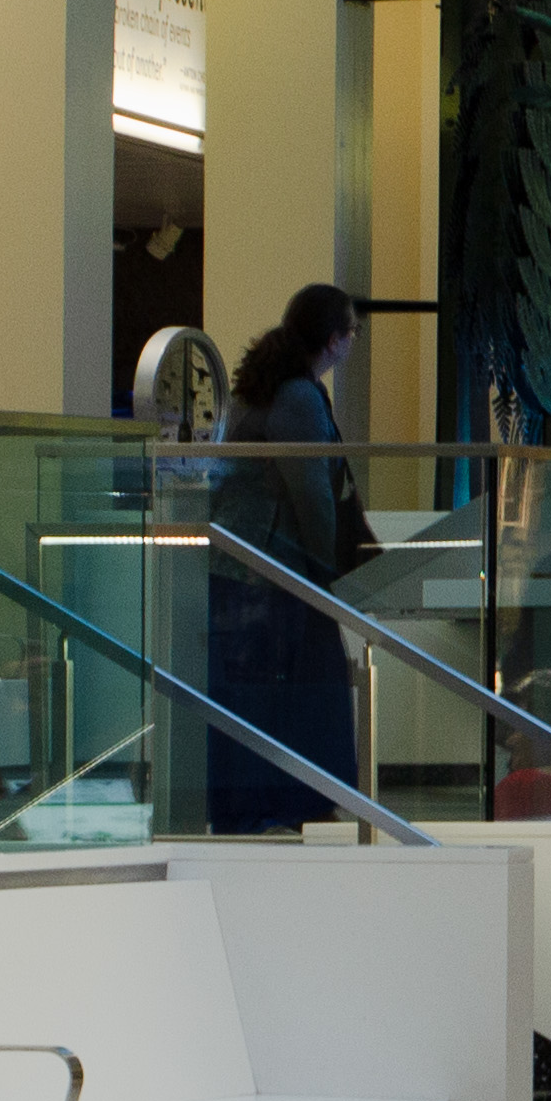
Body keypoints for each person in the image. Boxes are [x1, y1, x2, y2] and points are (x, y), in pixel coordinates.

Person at [204, 284, 376, 833]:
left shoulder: (267, 387)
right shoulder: (299, 398)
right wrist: (324, 577)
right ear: (332, 340)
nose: (354, 339)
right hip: (275, 576)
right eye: (352, 331)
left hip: (242, 571)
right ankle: (297, 804)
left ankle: (254, 808)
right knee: (305, 697)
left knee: (251, 699)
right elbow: (314, 498)